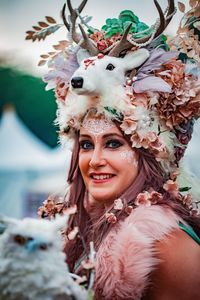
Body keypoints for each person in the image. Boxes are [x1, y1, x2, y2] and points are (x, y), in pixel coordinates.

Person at [34, 0, 200, 299]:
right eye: (86, 145)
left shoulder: (166, 246)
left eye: (113, 143)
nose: (95, 161)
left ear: (152, 152)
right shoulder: (83, 229)